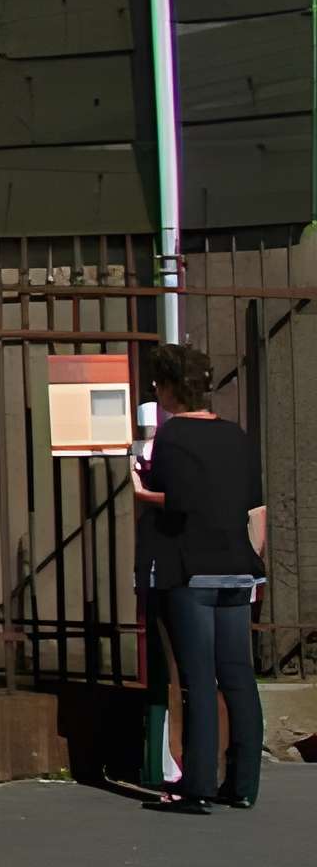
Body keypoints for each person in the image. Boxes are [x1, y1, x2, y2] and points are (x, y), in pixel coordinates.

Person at [131, 344, 269, 815]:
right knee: (238, 676)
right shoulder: (237, 437)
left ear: (170, 387)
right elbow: (257, 508)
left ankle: (197, 786)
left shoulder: (173, 438)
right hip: (239, 569)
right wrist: (253, 566)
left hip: (192, 571)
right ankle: (244, 782)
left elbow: (177, 499)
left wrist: (141, 491)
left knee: (198, 678)